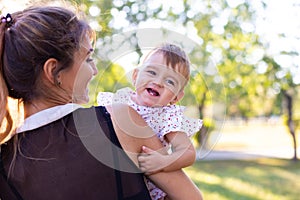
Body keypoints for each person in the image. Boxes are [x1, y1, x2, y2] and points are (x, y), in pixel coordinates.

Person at [0, 5, 203, 200]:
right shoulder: (120, 120)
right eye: (88, 59)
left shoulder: (5, 165)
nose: (95, 70)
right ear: (54, 71)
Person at [97, 43, 202, 200]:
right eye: (152, 72)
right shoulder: (119, 100)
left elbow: (188, 153)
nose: (158, 82)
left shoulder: (167, 116)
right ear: (135, 76)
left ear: (176, 98)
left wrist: (164, 162)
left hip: (152, 193)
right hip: (117, 179)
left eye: (170, 82)